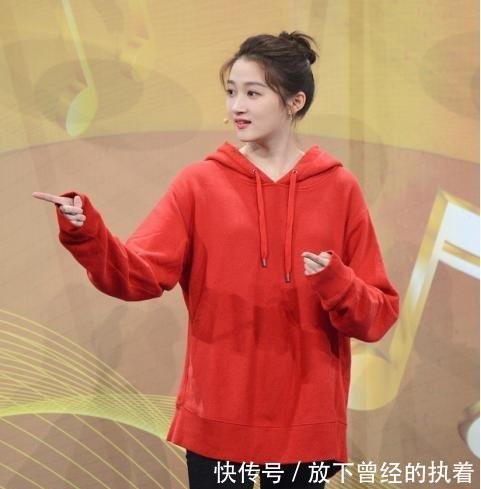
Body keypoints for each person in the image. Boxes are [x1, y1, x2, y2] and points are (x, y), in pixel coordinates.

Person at [33, 31, 399, 489]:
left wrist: (336, 281)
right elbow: (137, 275)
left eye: (253, 93)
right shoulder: (199, 184)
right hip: (218, 419)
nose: (236, 107)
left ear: (294, 101)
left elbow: (378, 315)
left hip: (306, 420)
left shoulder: (339, 188)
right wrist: (86, 230)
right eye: (231, 93)